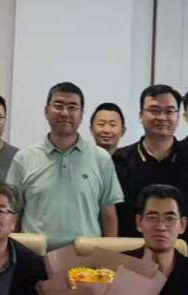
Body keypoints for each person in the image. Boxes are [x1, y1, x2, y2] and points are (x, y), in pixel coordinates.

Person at [9, 82, 123, 250]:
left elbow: (108, 214)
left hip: (85, 255)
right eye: (58, 106)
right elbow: (13, 213)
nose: (64, 113)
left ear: (81, 115)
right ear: (46, 111)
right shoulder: (24, 158)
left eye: (72, 107)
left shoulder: (101, 158)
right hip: (34, 254)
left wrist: (109, 255)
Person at [112, 85, 188, 267]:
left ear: (178, 117)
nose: (162, 117)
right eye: (154, 110)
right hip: (129, 264)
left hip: (183, 265)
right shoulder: (119, 161)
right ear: (140, 115)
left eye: (169, 111)